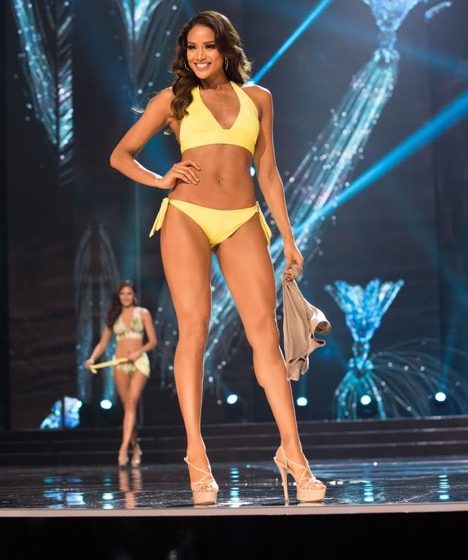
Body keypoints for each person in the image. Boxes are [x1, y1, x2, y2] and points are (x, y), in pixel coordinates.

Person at [109, 10, 326, 505]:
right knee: (195, 328)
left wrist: (289, 238)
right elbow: (120, 155)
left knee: (264, 335)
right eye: (191, 48)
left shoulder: (258, 99)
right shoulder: (173, 100)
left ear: (226, 48)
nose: (199, 55)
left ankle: (294, 454)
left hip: (242, 218)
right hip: (187, 215)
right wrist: (161, 179)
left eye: (208, 46)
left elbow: (268, 173)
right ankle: (196, 454)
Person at [85, 280, 157, 468]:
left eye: (129, 293)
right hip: (120, 363)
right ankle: (136, 447)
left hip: (139, 362)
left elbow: (153, 341)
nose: (126, 297)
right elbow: (103, 343)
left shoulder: (143, 313)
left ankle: (124, 448)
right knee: (128, 408)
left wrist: (138, 352)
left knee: (132, 403)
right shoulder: (114, 316)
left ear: (134, 295)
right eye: (122, 294)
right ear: (119, 296)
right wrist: (92, 358)